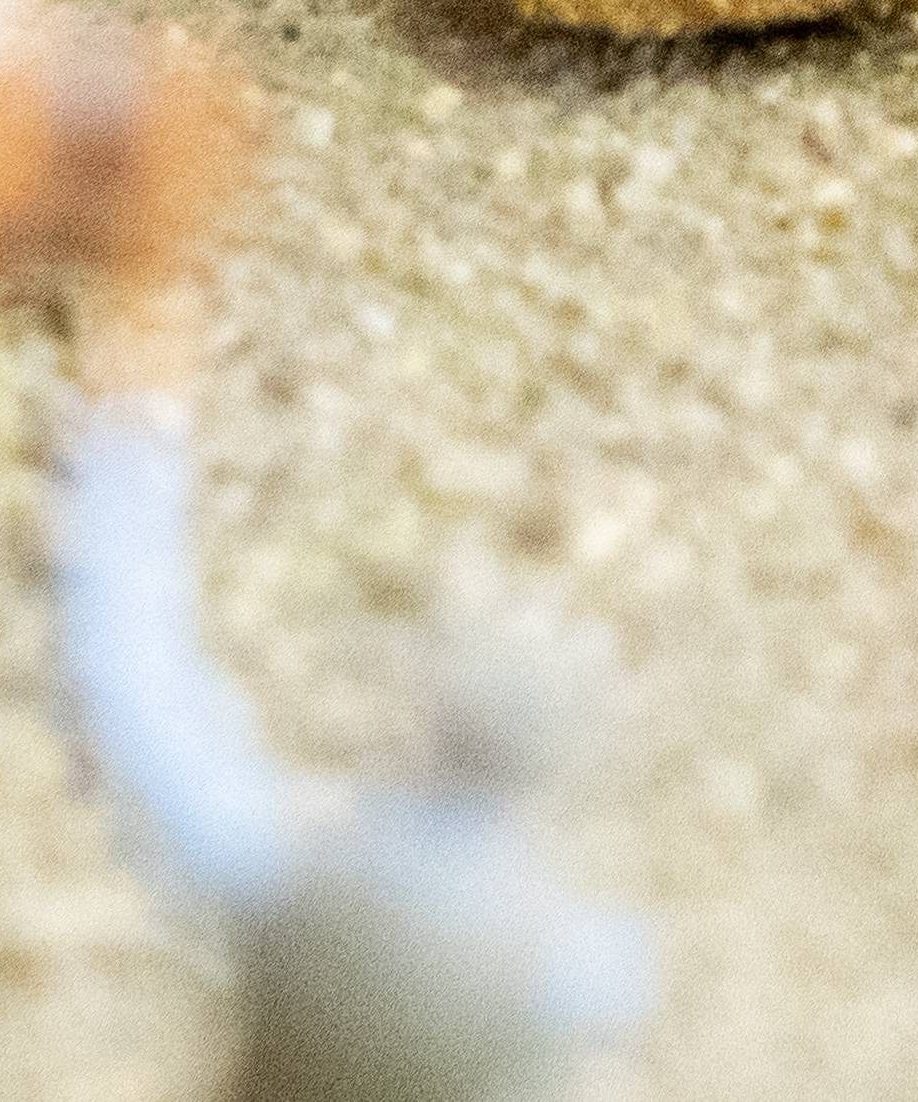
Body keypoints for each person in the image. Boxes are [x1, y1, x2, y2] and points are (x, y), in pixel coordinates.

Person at [52, 391, 657, 1102]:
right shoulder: (575, 966)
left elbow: (135, 680)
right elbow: (615, 978)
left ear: (429, 724)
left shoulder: (286, 869)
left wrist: (134, 433)